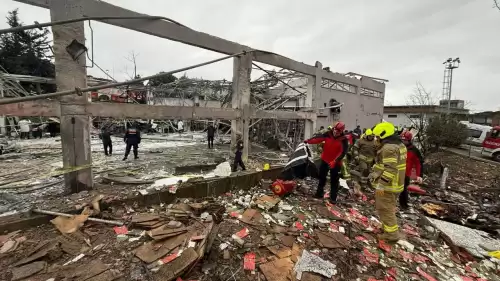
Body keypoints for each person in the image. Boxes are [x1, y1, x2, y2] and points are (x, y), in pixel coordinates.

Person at [369, 122, 407, 242]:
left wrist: (381, 185)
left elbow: (390, 169)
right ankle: (387, 228)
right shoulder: (399, 145)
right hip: (396, 185)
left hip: (387, 187)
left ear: (383, 135)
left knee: (384, 208)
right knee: (388, 207)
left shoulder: (388, 148)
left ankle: (391, 235)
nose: (375, 139)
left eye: (377, 136)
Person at [304, 121, 348, 203]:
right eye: (335, 129)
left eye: (338, 131)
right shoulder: (328, 134)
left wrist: (335, 161)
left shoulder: (344, 140)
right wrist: (308, 141)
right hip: (325, 160)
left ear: (341, 131)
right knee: (322, 177)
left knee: (334, 180)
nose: (335, 132)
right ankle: (319, 193)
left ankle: (333, 198)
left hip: (335, 163)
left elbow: (343, 153)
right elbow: (318, 138)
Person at [399, 131, 423, 209]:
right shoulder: (398, 147)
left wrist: (419, 175)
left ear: (409, 140)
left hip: (406, 173)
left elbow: (418, 163)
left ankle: (404, 205)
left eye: (405, 140)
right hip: (396, 171)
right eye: (402, 140)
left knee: (404, 189)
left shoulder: (414, 150)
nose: (403, 142)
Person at [352, 129, 377, 193]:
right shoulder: (360, 141)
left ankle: (365, 183)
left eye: (372, 136)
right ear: (367, 135)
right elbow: (355, 148)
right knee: (364, 170)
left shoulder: (375, 142)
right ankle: (363, 186)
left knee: (368, 172)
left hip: (370, 161)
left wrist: (376, 159)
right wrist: (356, 156)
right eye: (370, 136)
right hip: (362, 159)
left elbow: (376, 151)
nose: (371, 137)